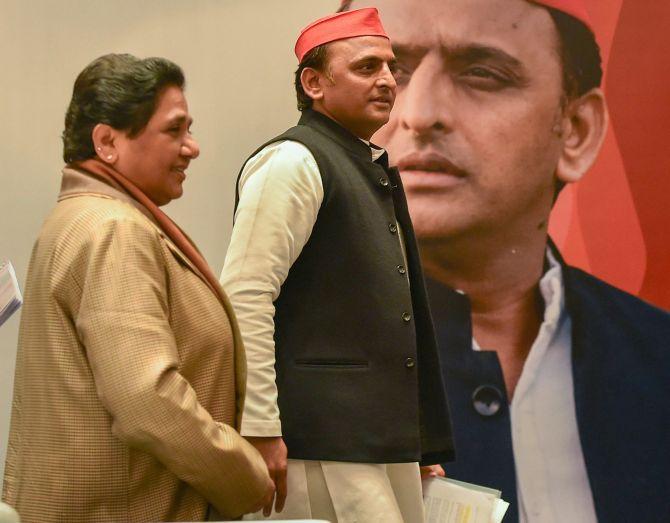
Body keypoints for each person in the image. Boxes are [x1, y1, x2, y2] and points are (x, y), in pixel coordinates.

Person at [337, 0, 670, 521]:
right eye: (380, 72)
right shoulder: (246, 372)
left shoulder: (657, 363)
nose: (418, 113)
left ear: (577, 130)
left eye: (482, 74)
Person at [1, 53, 272, 523]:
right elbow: (147, 398)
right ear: (107, 141)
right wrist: (244, 473)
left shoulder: (79, 215)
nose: (193, 147)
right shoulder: (114, 228)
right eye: (174, 130)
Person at [220, 8, 453, 522]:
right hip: (316, 450)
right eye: (367, 67)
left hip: (375, 448)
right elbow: (244, 295)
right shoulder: (292, 162)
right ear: (314, 83)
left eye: (392, 68)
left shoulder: (362, 163)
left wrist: (415, 440)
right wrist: (260, 428)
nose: (388, 80)